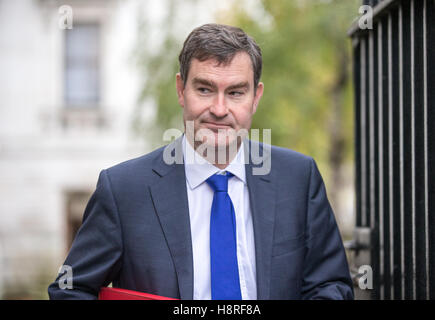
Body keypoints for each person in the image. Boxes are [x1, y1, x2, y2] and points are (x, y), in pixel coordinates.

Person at [48, 23, 354, 300]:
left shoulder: (298, 179)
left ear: (256, 97)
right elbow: (70, 290)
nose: (219, 109)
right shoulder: (124, 190)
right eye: (205, 89)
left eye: (235, 92)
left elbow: (331, 286)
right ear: (182, 89)